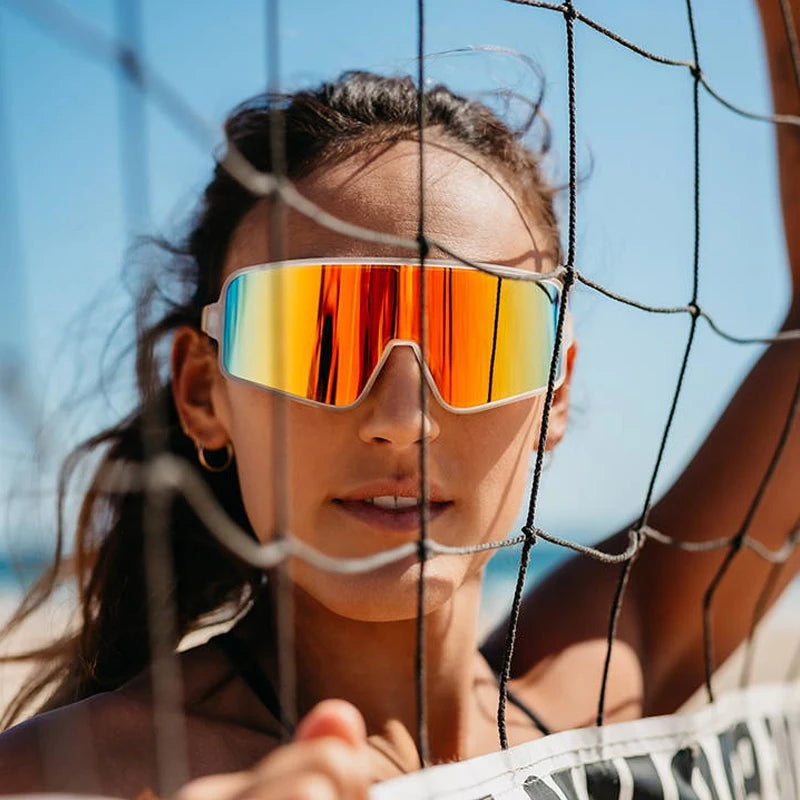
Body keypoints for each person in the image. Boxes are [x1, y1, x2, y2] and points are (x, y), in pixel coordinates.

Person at [0, 1, 798, 797]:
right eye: (320, 336)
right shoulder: (68, 775)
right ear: (206, 392)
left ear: (555, 389)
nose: (399, 421)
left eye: (478, 335)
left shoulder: (592, 691)